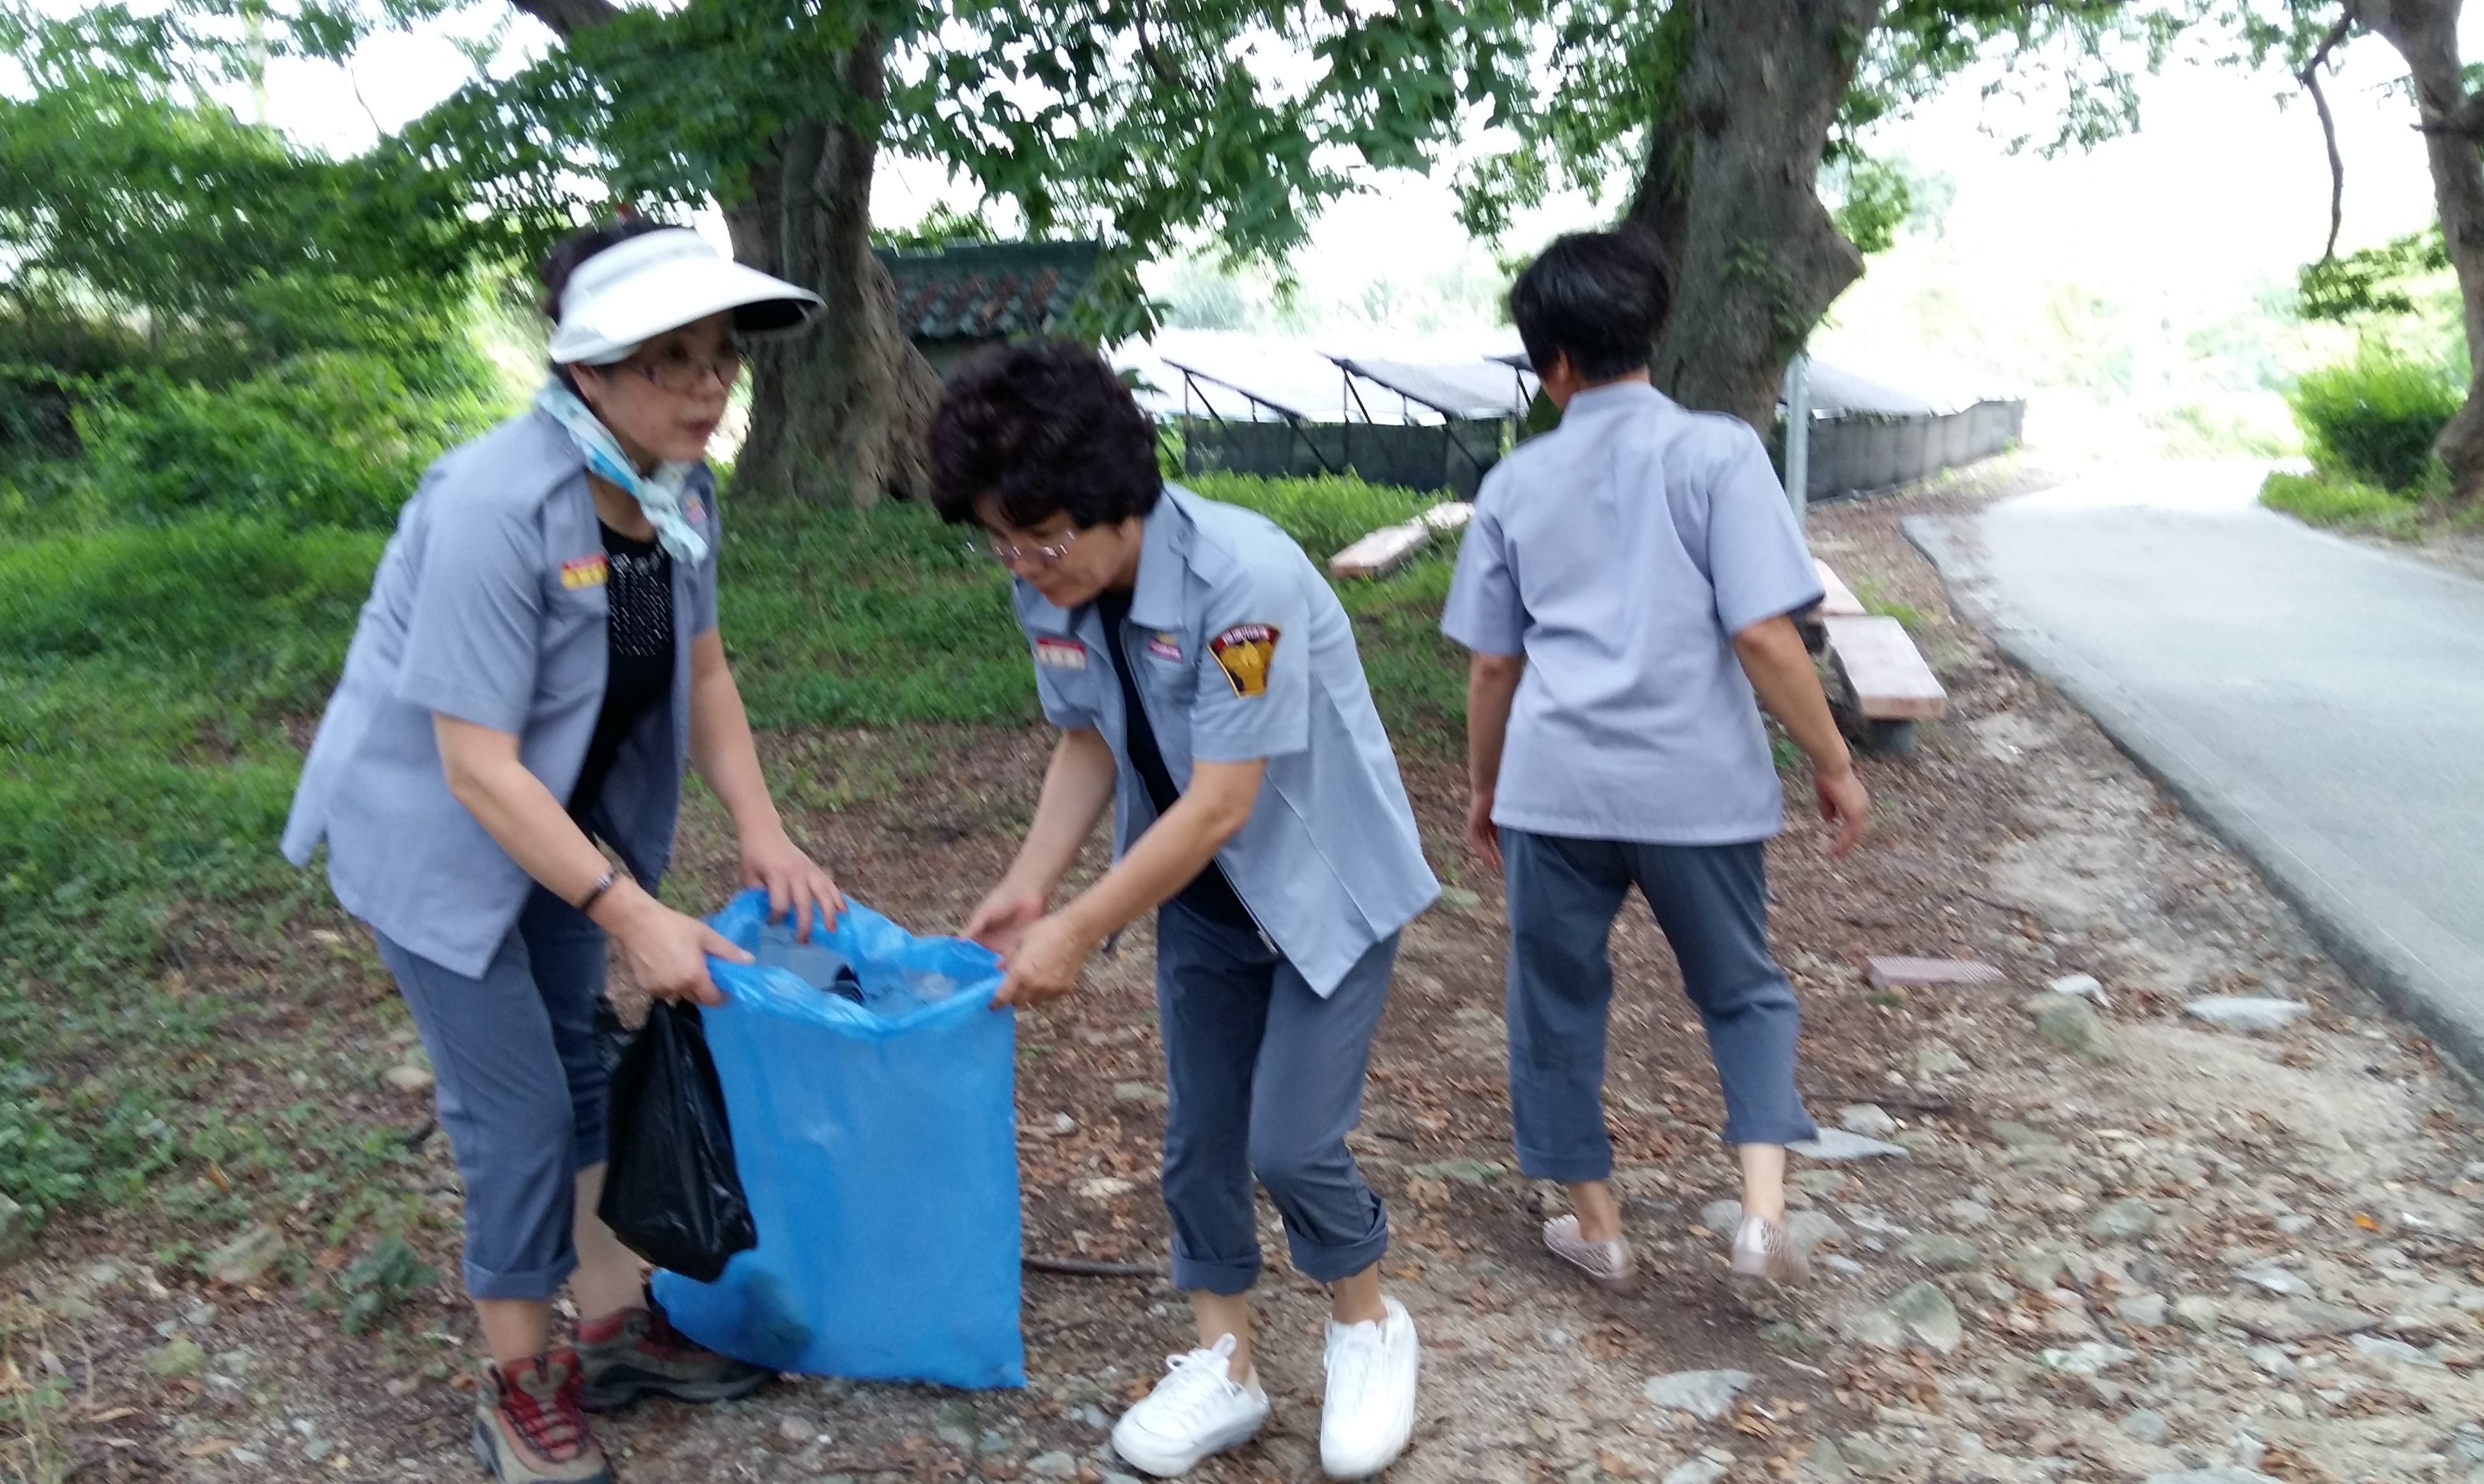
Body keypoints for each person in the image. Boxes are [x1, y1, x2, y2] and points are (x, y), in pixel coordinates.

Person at [283, 218, 848, 1484]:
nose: (708, 385)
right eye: (670, 360)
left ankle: (610, 1328)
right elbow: (476, 767)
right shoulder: (496, 505)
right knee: (520, 1114)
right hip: (441, 838)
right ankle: (519, 1383)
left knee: (582, 1073)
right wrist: (632, 912)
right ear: (586, 370)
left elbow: (704, 668)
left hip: (556, 827)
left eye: (722, 356)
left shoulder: (675, 488)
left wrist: (763, 832)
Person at [934, 341, 1438, 1481]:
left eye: (1042, 538)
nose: (1023, 563)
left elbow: (1221, 802)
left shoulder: (1242, 584)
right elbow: (1086, 737)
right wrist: (1032, 883)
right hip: (1203, 904)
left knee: (1291, 1142)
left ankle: (1368, 1323)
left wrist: (1076, 931)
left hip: (1324, 894)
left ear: (1119, 498)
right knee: (1200, 1141)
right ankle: (1226, 1361)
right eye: (1000, 541)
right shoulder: (1051, 582)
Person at [1440, 229, 1870, 1297]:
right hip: (1698, 785)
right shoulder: (1720, 453)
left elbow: (1494, 663)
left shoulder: (1514, 483)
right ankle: (1761, 1218)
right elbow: (1764, 634)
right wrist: (1832, 759)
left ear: (1552, 365)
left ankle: (1601, 1230)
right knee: (1744, 991)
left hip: (1557, 787)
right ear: (1651, 333)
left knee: (1553, 1001)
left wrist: (1487, 785)